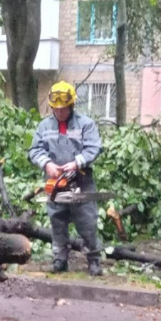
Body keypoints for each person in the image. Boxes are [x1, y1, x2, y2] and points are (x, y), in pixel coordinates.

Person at [29, 80, 103, 276]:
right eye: (57, 109)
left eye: (64, 108)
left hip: (81, 181)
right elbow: (35, 150)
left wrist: (77, 162)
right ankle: (60, 258)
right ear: (52, 106)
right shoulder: (44, 126)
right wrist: (46, 163)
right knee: (57, 219)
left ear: (71, 105)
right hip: (56, 183)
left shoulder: (86, 124)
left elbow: (94, 148)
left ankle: (94, 260)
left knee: (87, 221)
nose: (60, 112)